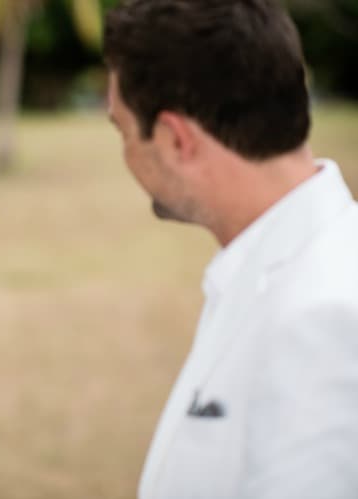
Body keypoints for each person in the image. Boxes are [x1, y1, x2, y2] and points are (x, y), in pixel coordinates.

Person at [103, 1, 358, 498]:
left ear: (178, 140)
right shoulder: (279, 266)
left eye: (123, 130)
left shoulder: (325, 316)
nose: (126, 155)